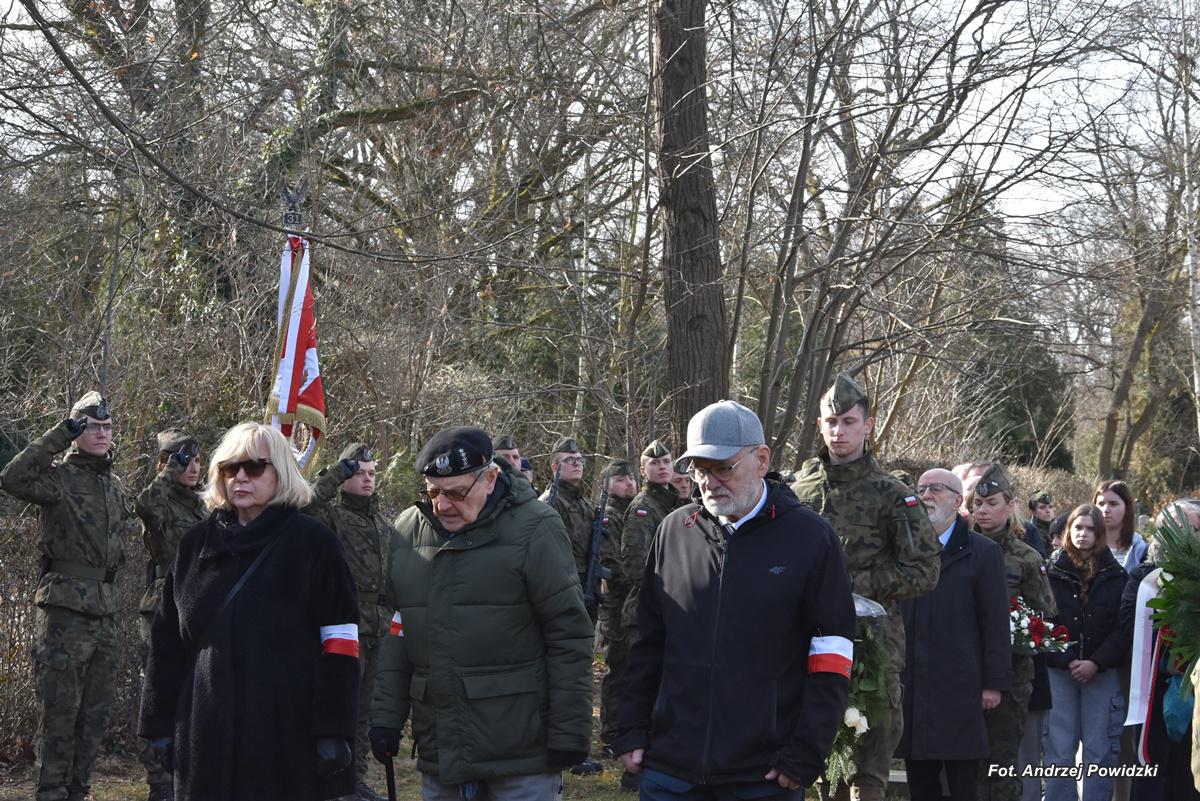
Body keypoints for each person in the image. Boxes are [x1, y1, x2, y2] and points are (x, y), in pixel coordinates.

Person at [613, 400, 856, 799]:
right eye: (699, 469)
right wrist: (631, 727)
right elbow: (647, 642)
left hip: (762, 776)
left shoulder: (810, 539)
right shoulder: (673, 532)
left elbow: (831, 652)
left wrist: (806, 751)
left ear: (761, 460)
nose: (708, 482)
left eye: (723, 468)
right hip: (670, 770)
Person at [368, 426, 594, 801]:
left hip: (521, 752)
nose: (442, 505)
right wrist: (386, 716)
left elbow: (568, 634)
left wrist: (569, 731)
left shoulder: (536, 527)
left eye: (456, 493)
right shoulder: (408, 530)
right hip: (442, 747)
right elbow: (401, 628)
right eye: (433, 492)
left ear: (490, 478)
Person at [139, 422, 360, 801]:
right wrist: (158, 724)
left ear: (281, 472)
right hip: (203, 733)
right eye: (230, 468)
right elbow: (166, 641)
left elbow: (340, 643)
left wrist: (334, 728)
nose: (240, 477)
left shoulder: (314, 544)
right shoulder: (195, 545)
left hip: (284, 734)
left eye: (255, 467)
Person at [791, 373, 940, 801]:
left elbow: (925, 570)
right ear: (819, 425)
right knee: (816, 767)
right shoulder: (798, 492)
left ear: (868, 425)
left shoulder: (893, 495)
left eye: (849, 422)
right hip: (808, 643)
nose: (839, 431)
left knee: (867, 774)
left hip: (872, 650)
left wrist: (851, 585)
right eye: (831, 422)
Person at [0, 391, 135, 801]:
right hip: (64, 612)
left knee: (94, 715)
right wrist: (59, 435)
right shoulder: (58, 478)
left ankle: (79, 791)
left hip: (105, 611)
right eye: (92, 427)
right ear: (76, 431)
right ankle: (52, 793)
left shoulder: (115, 487)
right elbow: (12, 478)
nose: (102, 434)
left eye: (107, 427)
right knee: (59, 713)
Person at [897, 469, 1010, 801]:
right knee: (921, 784)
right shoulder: (904, 548)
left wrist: (994, 682)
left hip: (961, 685)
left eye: (936, 488)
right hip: (913, 684)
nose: (926, 495)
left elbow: (995, 622)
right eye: (921, 489)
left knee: (963, 783)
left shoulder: (984, 552)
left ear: (958, 500)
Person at [305, 443, 397, 801]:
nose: (367, 480)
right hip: (345, 626)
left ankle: (355, 780)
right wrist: (334, 476)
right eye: (359, 473)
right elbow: (306, 508)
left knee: (364, 711)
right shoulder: (333, 517)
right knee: (340, 706)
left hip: (379, 626)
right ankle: (332, 781)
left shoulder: (384, 525)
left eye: (372, 474)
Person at [970, 463, 1057, 801]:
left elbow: (1045, 616)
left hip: (1010, 678)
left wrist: (1014, 629)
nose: (983, 510)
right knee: (964, 768)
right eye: (978, 503)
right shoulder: (959, 552)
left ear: (1010, 505)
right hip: (962, 673)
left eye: (991, 503)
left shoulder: (1026, 558)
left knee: (1002, 766)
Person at [135, 428, 207, 801]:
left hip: (199, 604)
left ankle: (190, 774)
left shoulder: (202, 506)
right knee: (161, 693)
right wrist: (168, 471)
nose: (193, 467)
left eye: (196, 459)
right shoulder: (160, 500)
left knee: (196, 693)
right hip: (164, 603)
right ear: (165, 463)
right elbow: (145, 506)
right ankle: (160, 784)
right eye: (184, 460)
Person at [1043, 504, 1128, 801]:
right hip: (1060, 671)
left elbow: (1122, 628)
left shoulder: (1117, 576)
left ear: (1100, 534)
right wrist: (1067, 659)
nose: (1083, 534)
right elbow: (1043, 621)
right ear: (1069, 530)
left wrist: (1095, 662)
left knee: (1099, 750)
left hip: (1100, 673)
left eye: (1091, 529)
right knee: (1058, 750)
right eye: (1078, 527)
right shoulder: (1050, 572)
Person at [1120, 500, 1200, 801]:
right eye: (1176, 528)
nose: (1185, 535)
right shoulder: (1145, 577)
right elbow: (1128, 622)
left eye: (1193, 529)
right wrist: (1168, 640)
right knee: (1152, 762)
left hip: (1196, 686)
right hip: (1153, 684)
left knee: (1188, 766)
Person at [598, 459, 638, 757]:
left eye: (631, 478)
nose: (629, 483)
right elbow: (611, 561)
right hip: (616, 604)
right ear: (608, 485)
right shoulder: (609, 516)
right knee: (618, 669)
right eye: (621, 479)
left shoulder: (634, 512)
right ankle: (611, 734)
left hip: (632, 603)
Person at [540, 437, 594, 584]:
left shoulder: (586, 505)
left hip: (586, 581)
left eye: (580, 460)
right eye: (570, 460)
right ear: (555, 467)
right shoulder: (549, 502)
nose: (577, 464)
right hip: (561, 581)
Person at [1094, 480, 1149, 571]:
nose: (1105, 509)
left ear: (1127, 508)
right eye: (1101, 504)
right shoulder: (1085, 546)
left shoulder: (1142, 551)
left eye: (1113, 504)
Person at [1023, 491, 1055, 558]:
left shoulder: (1057, 527)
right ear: (1033, 512)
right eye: (1042, 507)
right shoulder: (1032, 533)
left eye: (1050, 507)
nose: (1048, 510)